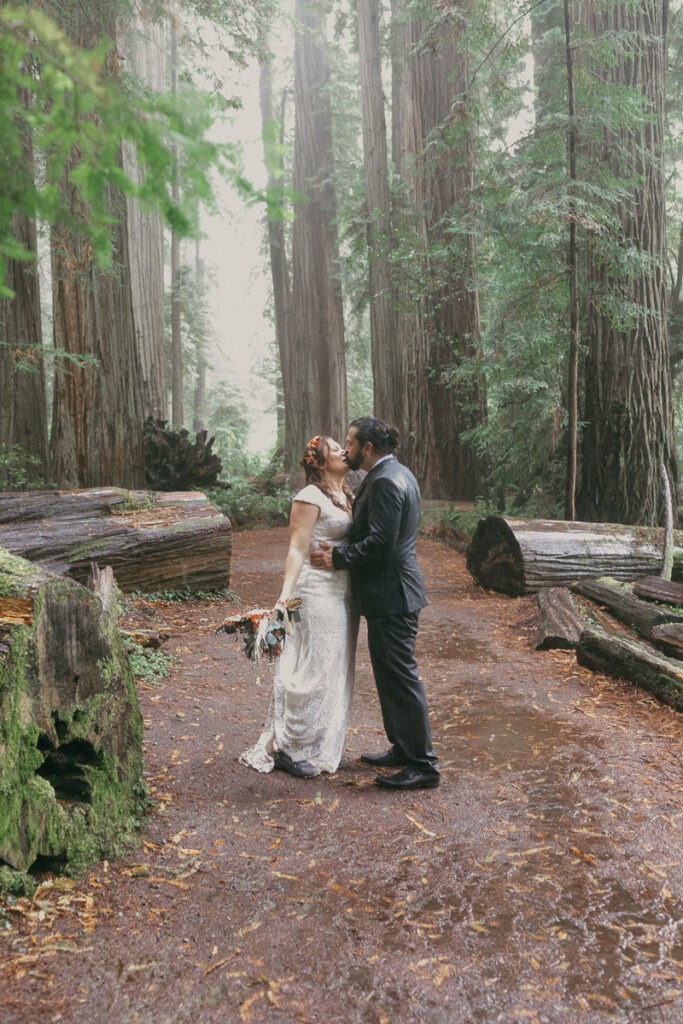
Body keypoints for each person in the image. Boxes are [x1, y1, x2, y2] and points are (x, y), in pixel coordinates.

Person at [310, 417, 440, 791]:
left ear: (367, 448)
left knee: (401, 677)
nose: (346, 449)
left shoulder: (384, 480)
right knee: (389, 675)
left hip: (395, 594)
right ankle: (403, 746)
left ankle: (424, 765)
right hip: (390, 593)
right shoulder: (396, 472)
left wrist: (338, 558)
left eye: (350, 443)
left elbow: (382, 543)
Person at [239, 436, 359, 779]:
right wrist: (283, 599)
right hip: (316, 591)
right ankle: (289, 747)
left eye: (341, 446)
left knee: (335, 667)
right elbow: (296, 549)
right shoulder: (308, 497)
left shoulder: (347, 495)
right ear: (319, 463)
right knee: (313, 668)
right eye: (334, 448)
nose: (342, 450)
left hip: (344, 591)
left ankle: (320, 745)